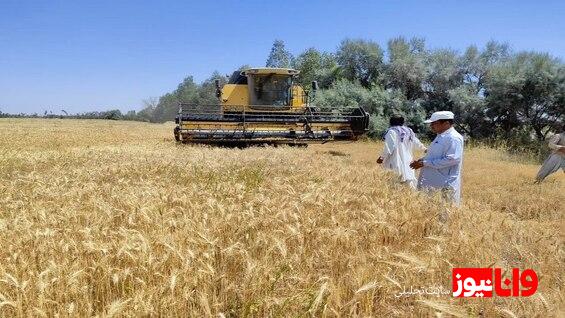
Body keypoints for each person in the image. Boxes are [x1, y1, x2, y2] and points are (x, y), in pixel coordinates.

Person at [410, 111, 464, 206]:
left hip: (444, 184)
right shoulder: (441, 136)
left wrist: (424, 163)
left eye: (434, 123)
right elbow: (435, 156)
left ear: (446, 123)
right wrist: (422, 160)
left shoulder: (454, 138)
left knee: (444, 213)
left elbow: (452, 159)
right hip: (435, 183)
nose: (431, 126)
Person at [377, 115, 427, 188]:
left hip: (395, 160)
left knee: (394, 183)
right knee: (409, 182)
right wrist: (424, 149)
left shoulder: (391, 131)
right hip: (408, 160)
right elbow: (416, 142)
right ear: (403, 122)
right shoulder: (409, 131)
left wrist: (382, 157)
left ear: (391, 122)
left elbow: (389, 147)